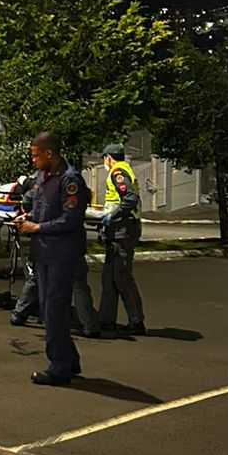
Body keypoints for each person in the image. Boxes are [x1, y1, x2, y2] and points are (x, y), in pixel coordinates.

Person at [15, 132, 87, 385]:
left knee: (55, 310)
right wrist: (27, 217)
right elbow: (40, 207)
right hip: (44, 252)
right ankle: (70, 360)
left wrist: (37, 228)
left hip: (61, 254)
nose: (33, 160)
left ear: (49, 153)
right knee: (48, 308)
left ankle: (59, 367)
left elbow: (70, 219)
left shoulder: (70, 180)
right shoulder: (42, 177)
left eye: (36, 155)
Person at [11, 169, 100, 336]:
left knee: (38, 279)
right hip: (68, 245)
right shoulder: (70, 184)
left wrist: (32, 220)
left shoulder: (50, 185)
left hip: (52, 244)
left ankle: (19, 313)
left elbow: (34, 204)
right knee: (78, 284)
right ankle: (89, 325)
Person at [98, 142, 147, 335]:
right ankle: (106, 320)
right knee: (109, 277)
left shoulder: (118, 171)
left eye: (104, 159)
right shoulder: (123, 169)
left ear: (108, 158)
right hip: (118, 230)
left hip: (123, 229)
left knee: (122, 277)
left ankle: (137, 322)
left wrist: (114, 214)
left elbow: (130, 198)